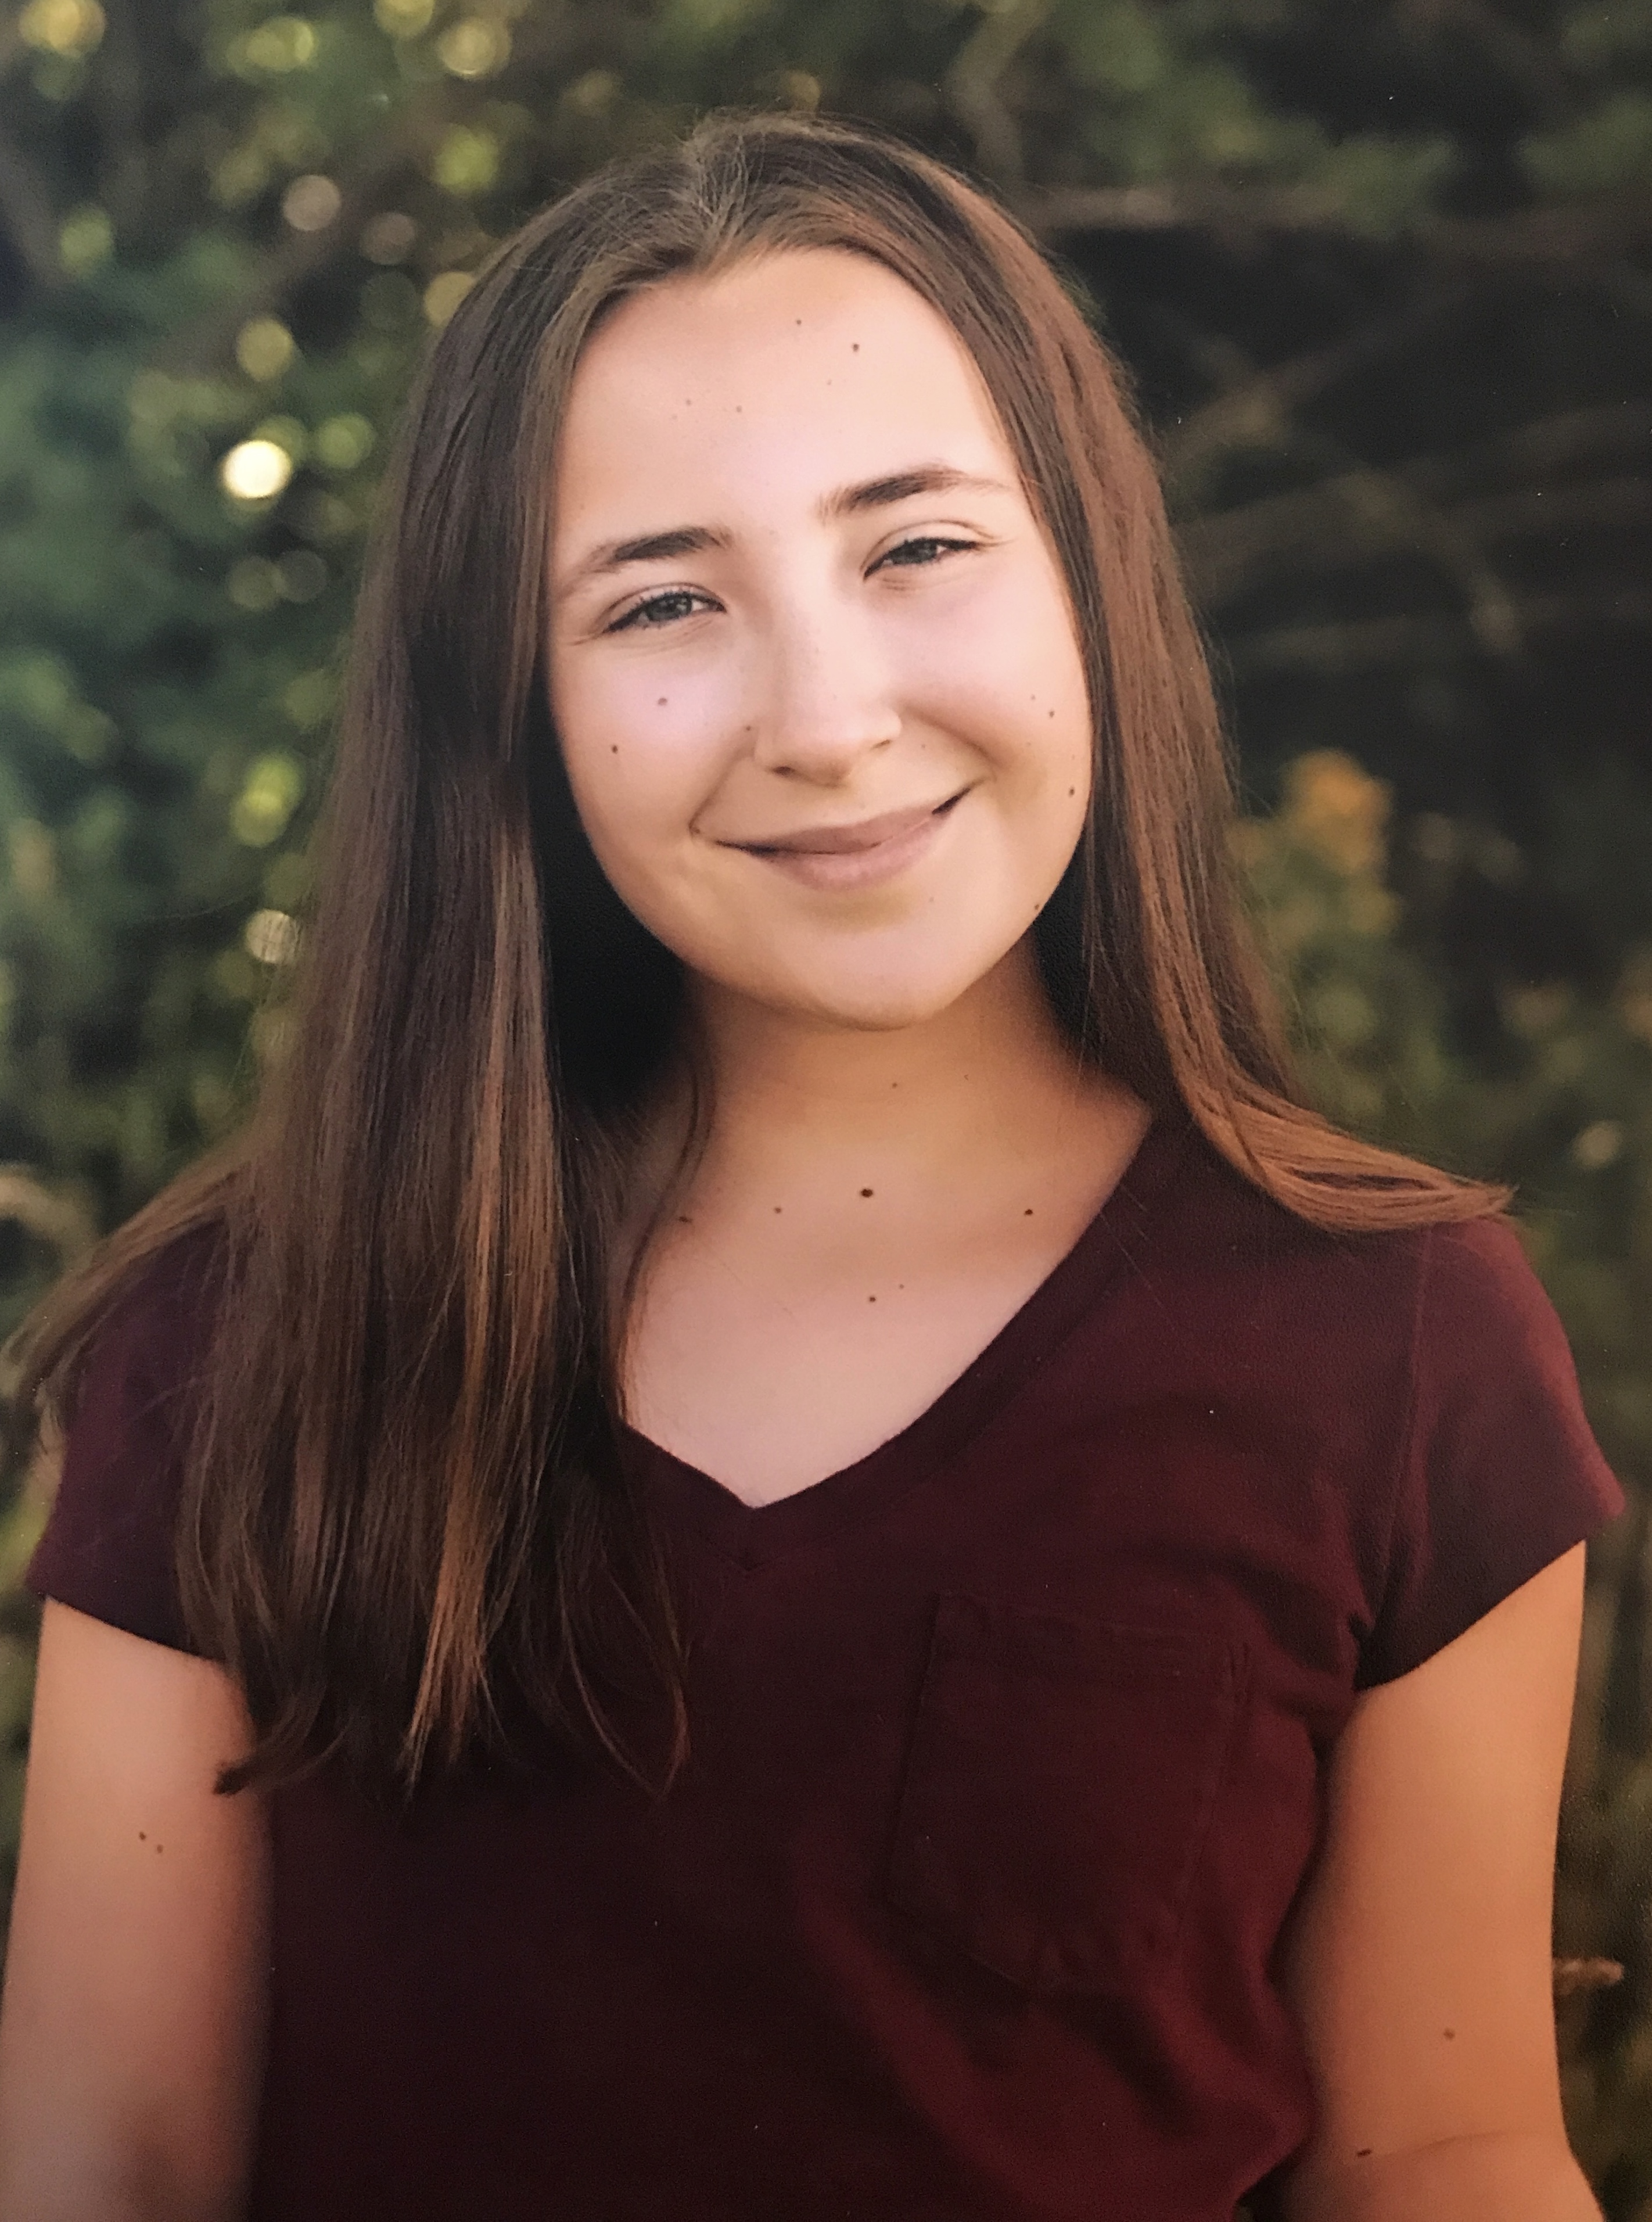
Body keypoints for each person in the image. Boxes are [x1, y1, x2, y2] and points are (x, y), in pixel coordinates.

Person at [0, 111, 1624, 2222]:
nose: (828, 718)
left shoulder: (1392, 1344)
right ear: (512, 704)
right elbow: (107, 2164)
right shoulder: (237, 1347)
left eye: (917, 546)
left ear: (1091, 579)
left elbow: (1442, 2148)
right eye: (664, 598)